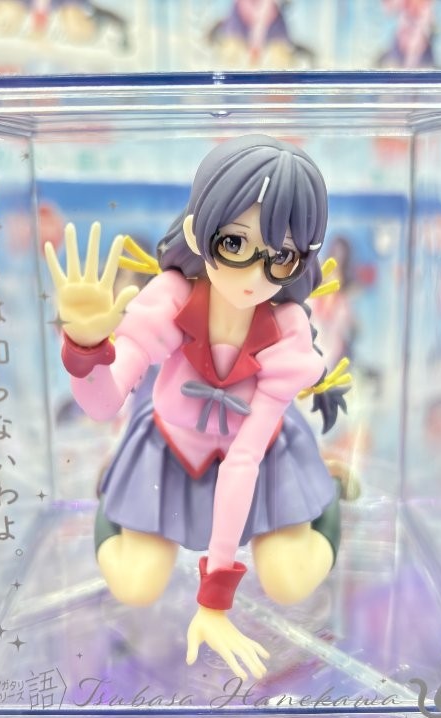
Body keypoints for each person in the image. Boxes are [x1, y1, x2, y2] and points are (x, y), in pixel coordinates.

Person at [46, 135, 349, 680]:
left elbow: (244, 461)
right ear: (197, 231)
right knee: (134, 585)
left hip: (261, 461)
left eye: (280, 257)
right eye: (234, 244)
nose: (254, 276)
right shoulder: (171, 299)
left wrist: (214, 602)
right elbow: (104, 403)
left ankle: (325, 501)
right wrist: (86, 350)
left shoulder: (286, 333)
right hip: (171, 451)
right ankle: (113, 501)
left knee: (289, 581)